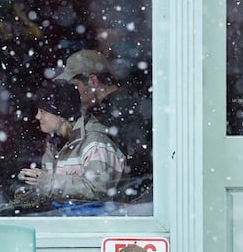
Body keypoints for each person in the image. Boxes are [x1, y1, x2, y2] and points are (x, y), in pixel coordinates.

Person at [54, 49, 152, 202]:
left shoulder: (120, 111)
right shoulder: (118, 106)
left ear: (93, 81)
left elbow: (136, 162)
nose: (72, 92)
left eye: (75, 86)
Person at [16, 80, 125, 215]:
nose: (37, 116)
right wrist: (32, 195)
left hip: (92, 227)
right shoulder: (54, 143)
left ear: (61, 114)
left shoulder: (95, 143)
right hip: (65, 221)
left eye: (43, 111)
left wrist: (48, 182)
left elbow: (97, 190)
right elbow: (58, 193)